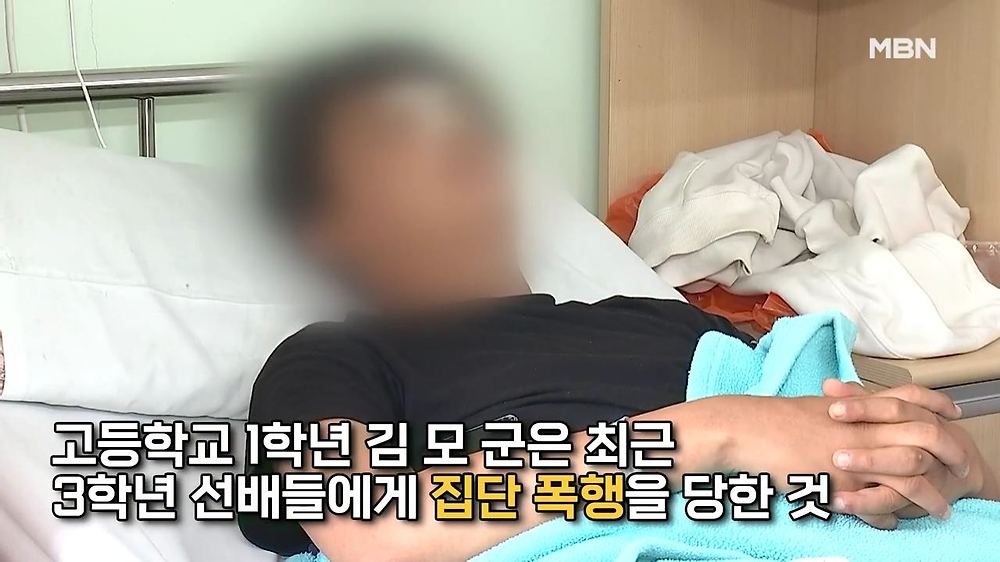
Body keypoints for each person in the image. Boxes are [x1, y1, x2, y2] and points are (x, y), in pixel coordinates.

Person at [238, 46, 999, 561]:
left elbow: (860, 454)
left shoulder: (659, 318)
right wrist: (714, 435)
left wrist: (949, 472)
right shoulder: (332, 355)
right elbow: (372, 525)